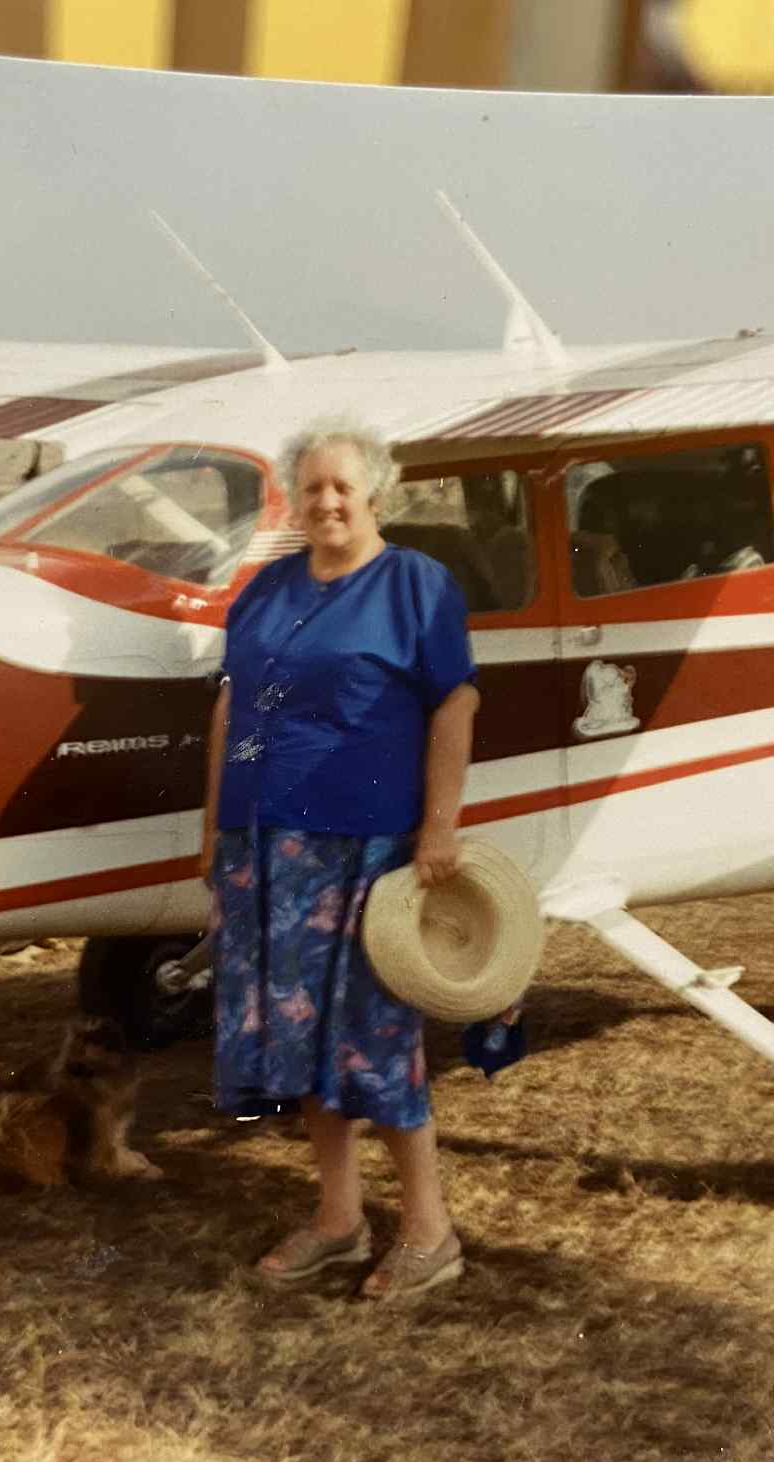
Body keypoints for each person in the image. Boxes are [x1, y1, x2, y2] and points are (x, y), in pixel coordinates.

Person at [200, 416, 480, 1301]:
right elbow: (236, 708)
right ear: (293, 497)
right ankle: (338, 1219)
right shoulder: (266, 590)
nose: (326, 501)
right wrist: (216, 829)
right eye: (311, 486)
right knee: (295, 1038)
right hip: (263, 847)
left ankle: (430, 1233)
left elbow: (455, 705)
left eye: (342, 487)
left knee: (375, 1040)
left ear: (376, 495)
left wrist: (439, 826)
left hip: (366, 848)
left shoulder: (415, 586)